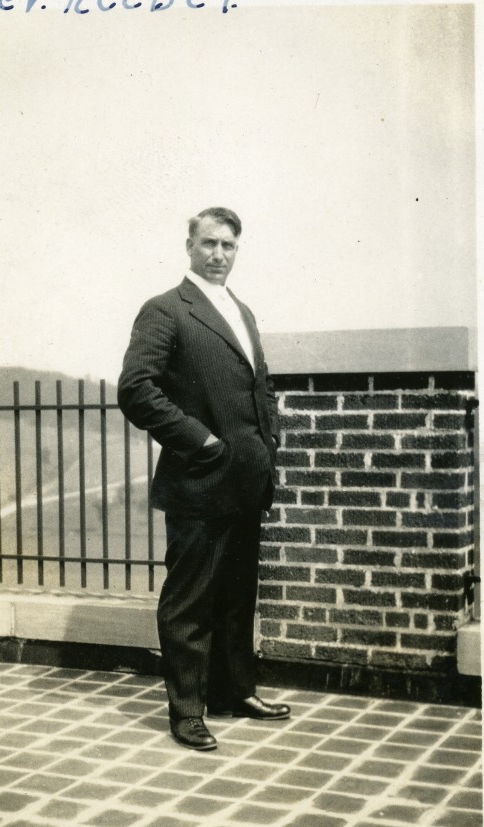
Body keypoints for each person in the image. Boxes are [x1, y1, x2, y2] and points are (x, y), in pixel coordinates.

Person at [117, 207, 290, 751]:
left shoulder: (242, 310)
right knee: (190, 601)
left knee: (237, 596)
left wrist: (269, 441)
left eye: (228, 245)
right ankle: (187, 711)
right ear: (189, 246)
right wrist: (202, 441)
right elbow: (136, 390)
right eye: (209, 243)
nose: (219, 254)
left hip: (245, 480)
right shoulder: (166, 309)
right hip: (199, 480)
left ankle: (234, 692)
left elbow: (259, 387)